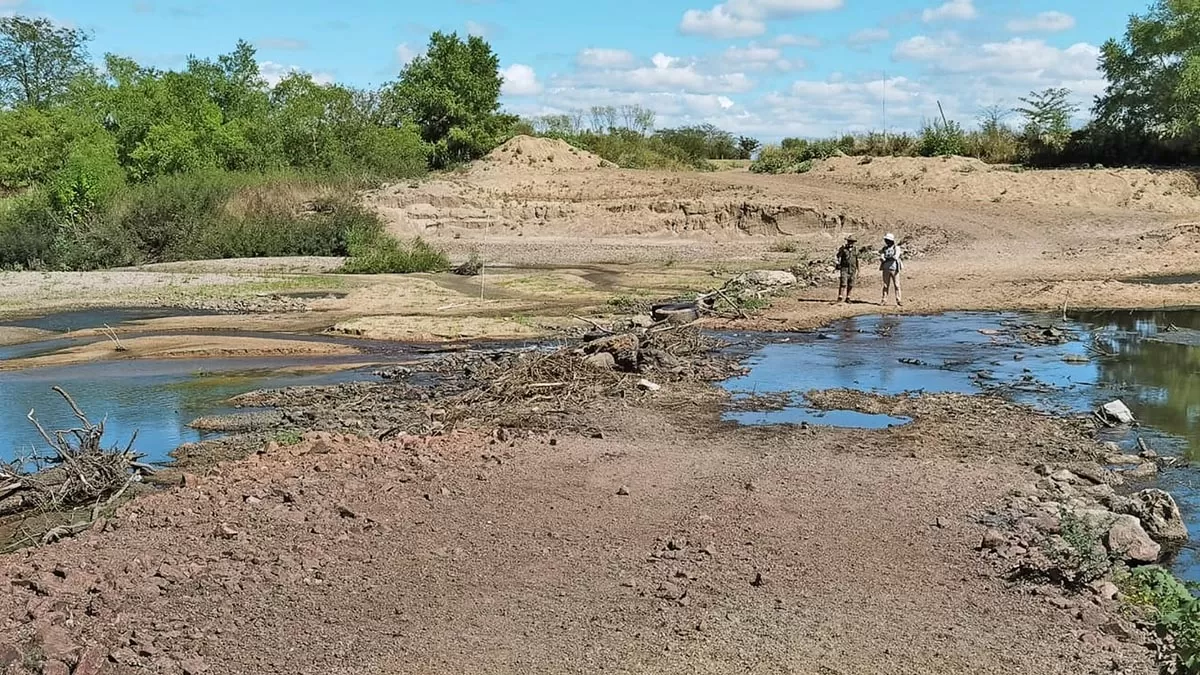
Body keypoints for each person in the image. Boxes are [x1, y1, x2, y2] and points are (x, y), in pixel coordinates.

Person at [879, 233, 902, 307]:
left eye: (887, 240)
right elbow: (882, 257)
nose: (886, 242)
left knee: (897, 285)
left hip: (894, 268)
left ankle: (899, 300)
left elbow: (895, 257)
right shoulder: (884, 249)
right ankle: (884, 300)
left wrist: (886, 258)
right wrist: (885, 258)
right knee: (885, 285)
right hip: (886, 268)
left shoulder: (896, 248)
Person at [835, 234, 859, 303]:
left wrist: (858, 270)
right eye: (849, 241)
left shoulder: (856, 250)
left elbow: (857, 260)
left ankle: (848, 297)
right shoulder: (843, 249)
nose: (850, 243)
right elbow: (838, 256)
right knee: (843, 283)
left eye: (852, 241)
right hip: (844, 268)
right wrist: (838, 264)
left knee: (851, 284)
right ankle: (840, 296)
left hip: (853, 269)